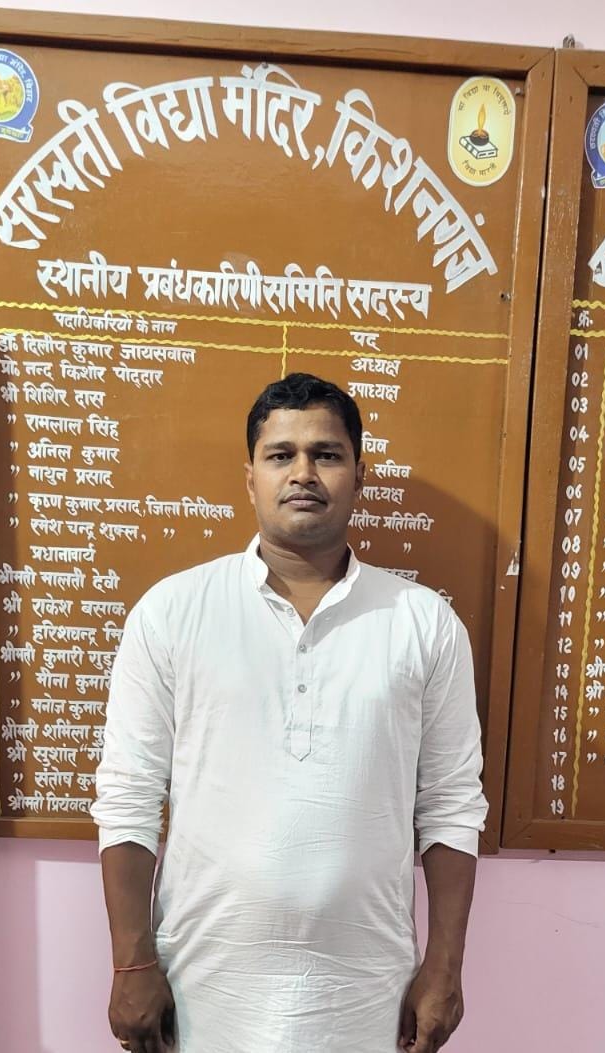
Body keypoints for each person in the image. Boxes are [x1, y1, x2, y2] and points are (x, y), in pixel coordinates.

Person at [91, 372, 488, 1053]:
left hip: (368, 993)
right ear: (251, 478)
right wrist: (131, 965)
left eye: (326, 454)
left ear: (358, 476)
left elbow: (451, 805)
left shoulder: (424, 624)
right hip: (201, 987)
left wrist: (444, 969)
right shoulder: (172, 612)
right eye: (281, 454)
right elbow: (128, 795)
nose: (303, 472)